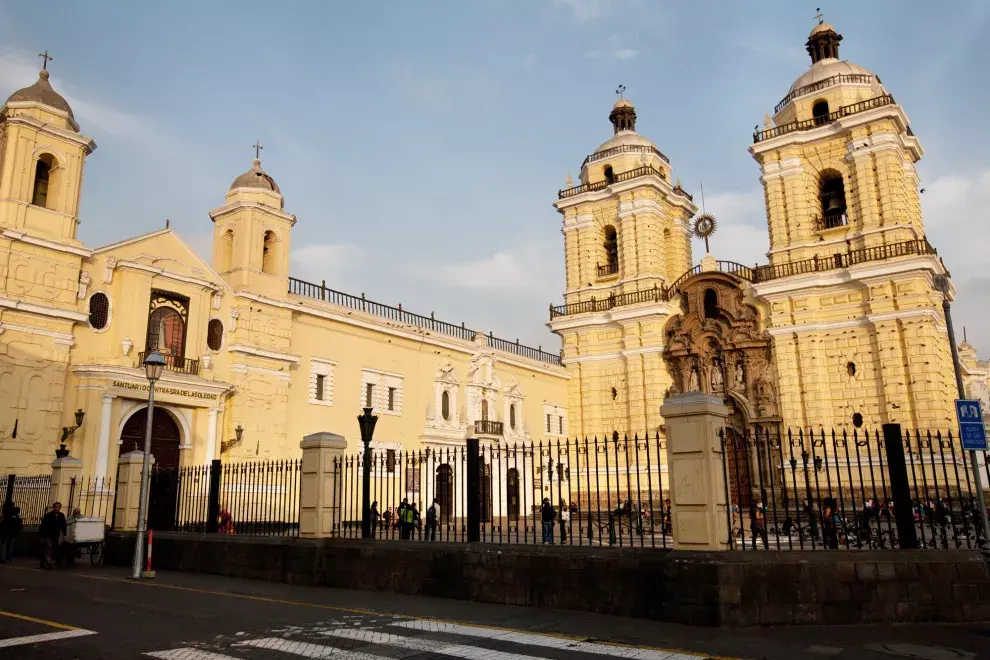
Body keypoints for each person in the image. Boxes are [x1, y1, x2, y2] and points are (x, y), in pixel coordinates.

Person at [38, 502, 67, 569]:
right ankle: (49, 563)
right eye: (56, 507)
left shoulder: (61, 515)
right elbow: (43, 526)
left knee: (53, 549)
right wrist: (41, 536)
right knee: (49, 548)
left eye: (58, 507)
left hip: (56, 535)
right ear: (53, 508)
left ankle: (44, 561)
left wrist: (64, 534)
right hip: (48, 535)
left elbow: (63, 525)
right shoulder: (48, 515)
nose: (57, 508)